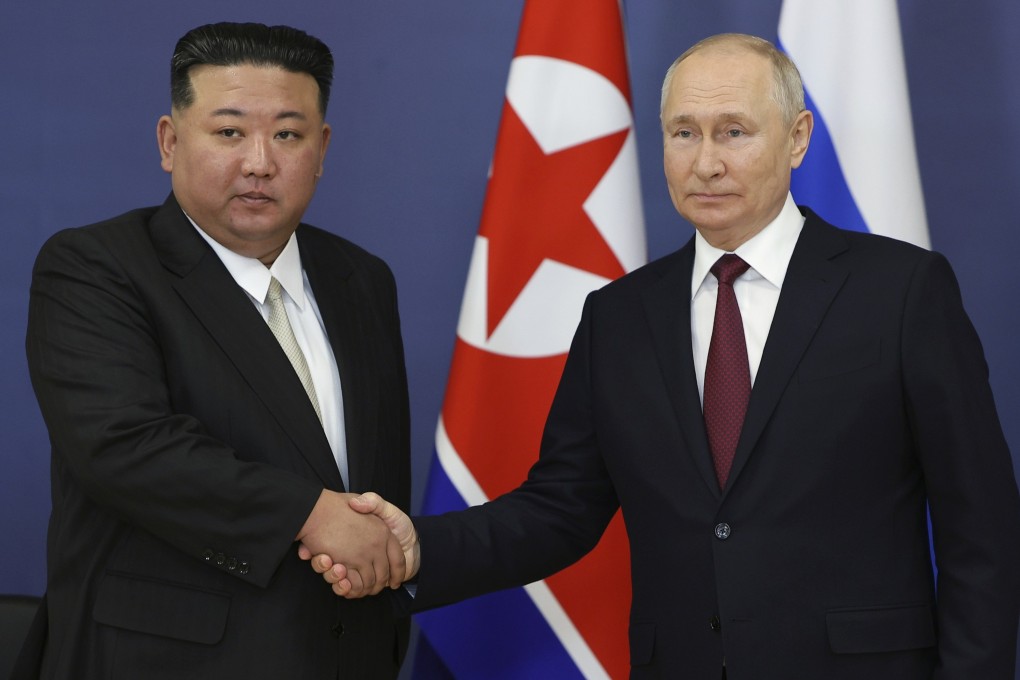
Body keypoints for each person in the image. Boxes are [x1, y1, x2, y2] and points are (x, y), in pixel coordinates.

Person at [308, 33, 1020, 679]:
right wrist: (417, 545)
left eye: (733, 132)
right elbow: (561, 508)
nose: (705, 162)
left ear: (798, 138)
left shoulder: (900, 290)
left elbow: (979, 526)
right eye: (684, 133)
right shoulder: (619, 315)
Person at [19, 22, 413, 680]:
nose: (259, 161)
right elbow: (125, 447)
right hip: (164, 660)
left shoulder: (362, 279)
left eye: (287, 134)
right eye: (229, 131)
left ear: (321, 149)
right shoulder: (95, 267)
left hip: (347, 654)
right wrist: (309, 514)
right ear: (170, 142)